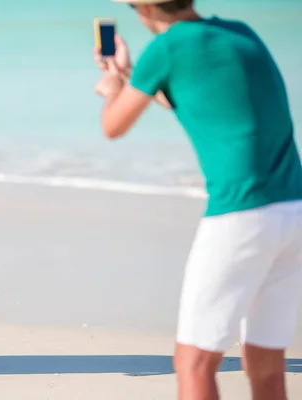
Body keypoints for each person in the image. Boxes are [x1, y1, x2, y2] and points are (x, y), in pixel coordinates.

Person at [94, 1, 302, 399]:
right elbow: (197, 98)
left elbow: (112, 126)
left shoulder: (167, 48)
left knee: (194, 363)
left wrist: (112, 88)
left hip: (241, 216)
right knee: (266, 365)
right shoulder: (241, 33)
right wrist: (130, 74)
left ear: (147, 8)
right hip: (293, 209)